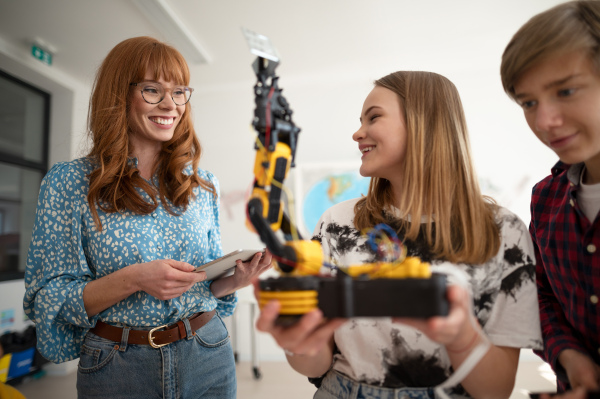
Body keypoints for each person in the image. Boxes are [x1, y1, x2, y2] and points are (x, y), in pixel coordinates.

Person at [256, 70, 542, 398]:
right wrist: (297, 341)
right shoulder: (336, 222)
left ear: (425, 123)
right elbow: (317, 365)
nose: (357, 133)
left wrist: (462, 336)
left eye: (373, 117)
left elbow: (496, 391)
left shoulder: (503, 232)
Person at [22, 36, 272, 399]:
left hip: (208, 352)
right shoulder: (70, 182)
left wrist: (231, 281)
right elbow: (49, 297)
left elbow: (202, 285)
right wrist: (134, 278)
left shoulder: (203, 185)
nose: (171, 104)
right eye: (153, 90)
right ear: (118, 94)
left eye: (180, 91)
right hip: (117, 367)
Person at [500, 0, 600, 394]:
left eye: (566, 90)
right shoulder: (545, 198)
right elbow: (540, 294)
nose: (544, 122)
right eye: (528, 103)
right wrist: (569, 355)